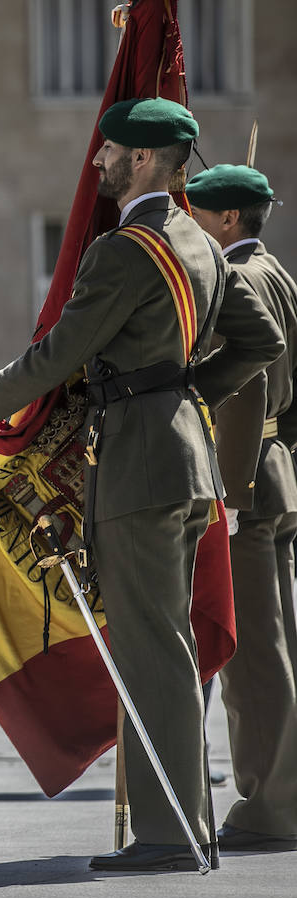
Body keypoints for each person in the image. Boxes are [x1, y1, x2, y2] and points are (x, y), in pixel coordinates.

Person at [0, 98, 281, 871]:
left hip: (141, 467)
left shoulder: (125, 250)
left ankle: (169, 835)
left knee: (151, 650)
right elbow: (261, 339)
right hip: (184, 459)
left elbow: (56, 357)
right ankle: (188, 825)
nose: (97, 162)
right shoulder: (198, 240)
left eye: (110, 150)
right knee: (168, 644)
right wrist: (185, 393)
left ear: (144, 159)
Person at [187, 163, 297, 852]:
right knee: (275, 641)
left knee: (254, 655)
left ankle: (269, 805)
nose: (187, 226)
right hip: (276, 470)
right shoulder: (278, 271)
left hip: (246, 481)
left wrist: (231, 494)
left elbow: (246, 389)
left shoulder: (237, 280)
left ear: (228, 220)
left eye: (196, 213)